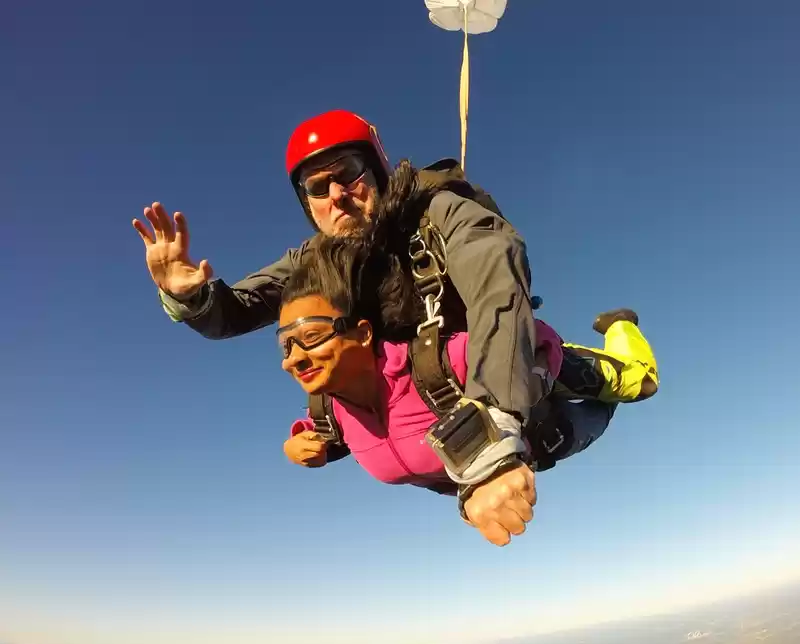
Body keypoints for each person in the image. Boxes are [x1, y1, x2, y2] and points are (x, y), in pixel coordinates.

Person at [132, 109, 658, 431]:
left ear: (377, 172)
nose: (337, 195)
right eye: (318, 188)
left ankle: (621, 331)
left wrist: (494, 414)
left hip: (500, 355)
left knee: (626, 383)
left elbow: (494, 273)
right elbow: (235, 312)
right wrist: (191, 297)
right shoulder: (312, 260)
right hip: (435, 388)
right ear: (308, 204)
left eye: (348, 174)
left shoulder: (437, 212)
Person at [277, 227, 656, 547]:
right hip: (551, 438)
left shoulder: (430, 363)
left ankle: (620, 325)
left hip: (549, 374)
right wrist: (297, 444)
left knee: (640, 384)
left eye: (311, 337)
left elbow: (527, 336)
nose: (292, 359)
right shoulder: (330, 412)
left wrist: (521, 397)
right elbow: (333, 433)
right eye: (286, 345)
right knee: (604, 412)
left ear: (362, 334)